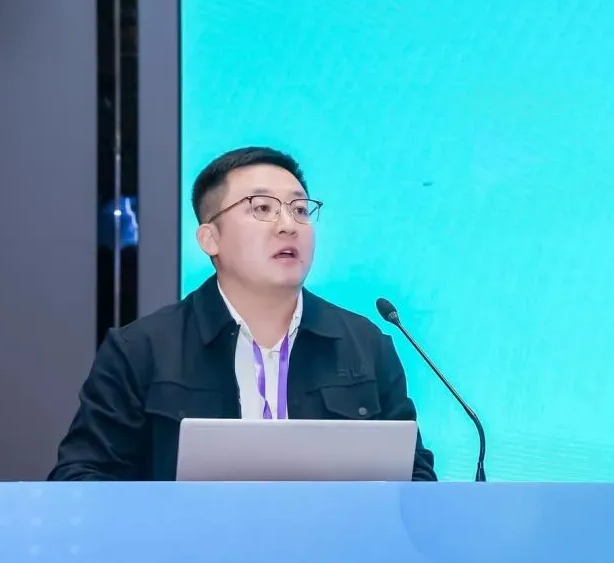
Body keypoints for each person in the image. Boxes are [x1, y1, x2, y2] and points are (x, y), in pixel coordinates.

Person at [49, 146, 436, 481]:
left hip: (333, 547)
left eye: (300, 210)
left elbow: (414, 477)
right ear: (210, 238)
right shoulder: (140, 350)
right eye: (262, 208)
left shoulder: (365, 345)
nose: (288, 225)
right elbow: (82, 478)